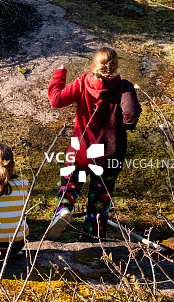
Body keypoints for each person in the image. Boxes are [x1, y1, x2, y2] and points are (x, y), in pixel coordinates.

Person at [47, 46, 141, 241]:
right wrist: (123, 120)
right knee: (99, 203)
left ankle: (64, 209)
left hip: (80, 152)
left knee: (70, 185)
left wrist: (59, 75)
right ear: (115, 66)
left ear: (94, 65)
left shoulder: (83, 82)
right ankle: (91, 238)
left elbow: (56, 100)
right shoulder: (124, 87)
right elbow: (130, 116)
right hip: (109, 158)